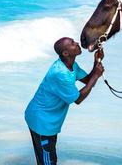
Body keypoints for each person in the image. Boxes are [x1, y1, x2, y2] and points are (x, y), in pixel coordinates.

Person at [25, 37, 104, 165]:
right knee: (49, 162)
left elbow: (88, 80)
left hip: (49, 119)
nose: (77, 43)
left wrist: (96, 62)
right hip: (41, 120)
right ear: (65, 53)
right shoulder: (60, 73)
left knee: (46, 159)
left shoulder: (71, 65)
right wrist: (95, 75)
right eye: (73, 44)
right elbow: (78, 99)